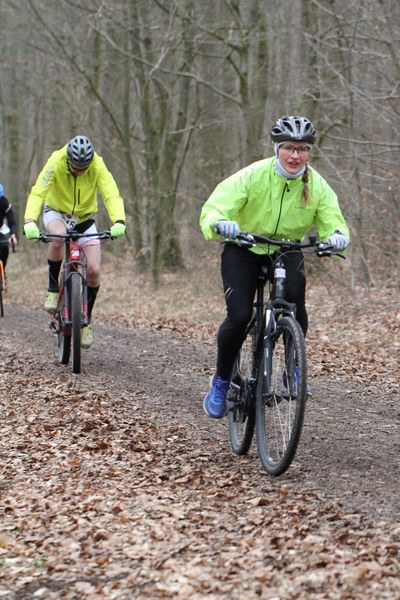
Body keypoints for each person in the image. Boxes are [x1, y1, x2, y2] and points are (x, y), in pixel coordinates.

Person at [200, 115, 350, 419]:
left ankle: (292, 368)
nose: (295, 155)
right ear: (276, 149)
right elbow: (215, 206)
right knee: (240, 315)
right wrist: (220, 222)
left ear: (309, 152)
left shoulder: (317, 186)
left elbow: (334, 221)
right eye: (289, 148)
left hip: (285, 249)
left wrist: (336, 238)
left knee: (296, 304)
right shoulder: (252, 175)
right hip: (244, 247)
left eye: (302, 149)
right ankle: (222, 379)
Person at [23, 135, 126, 349]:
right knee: (59, 237)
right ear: (68, 160)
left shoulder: (97, 164)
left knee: (95, 271)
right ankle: (53, 289)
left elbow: (111, 193)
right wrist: (30, 221)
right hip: (56, 212)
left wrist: (119, 220)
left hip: (85, 219)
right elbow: (38, 191)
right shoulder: (56, 161)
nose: (80, 171)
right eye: (76, 167)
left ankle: (85, 319)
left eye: (83, 168)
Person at [0, 184, 18, 285]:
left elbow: (11, 222)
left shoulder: (4, 202)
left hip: (0, 229)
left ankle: (3, 269)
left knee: (5, 246)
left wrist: (13, 235)